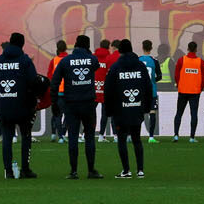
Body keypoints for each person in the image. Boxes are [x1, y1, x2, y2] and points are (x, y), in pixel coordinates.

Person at [0, 32, 46, 180]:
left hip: (4, 105)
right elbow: (34, 81)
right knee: (26, 137)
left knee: (7, 138)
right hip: (23, 106)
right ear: (22, 44)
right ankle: (25, 169)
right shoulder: (25, 61)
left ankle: (8, 171)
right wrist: (35, 99)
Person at [51, 34, 102, 178]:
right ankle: (91, 170)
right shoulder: (91, 59)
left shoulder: (66, 61)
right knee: (90, 137)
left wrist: (54, 102)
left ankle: (73, 171)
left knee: (72, 137)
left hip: (71, 104)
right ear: (87, 46)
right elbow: (96, 65)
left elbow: (54, 82)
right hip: (88, 104)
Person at [103, 38, 155, 179]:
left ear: (119, 50)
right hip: (137, 108)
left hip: (120, 110)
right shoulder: (140, 66)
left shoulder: (115, 67)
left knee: (121, 140)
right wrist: (147, 106)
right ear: (132, 49)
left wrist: (108, 109)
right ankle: (140, 170)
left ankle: (126, 170)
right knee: (137, 139)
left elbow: (108, 90)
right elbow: (148, 86)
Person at [172, 41, 203, 141]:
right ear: (196, 49)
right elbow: (203, 78)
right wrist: (200, 88)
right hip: (195, 91)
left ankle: (176, 135)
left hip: (183, 90)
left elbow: (176, 75)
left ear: (188, 49)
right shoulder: (200, 62)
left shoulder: (181, 60)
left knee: (179, 113)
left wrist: (179, 84)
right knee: (194, 114)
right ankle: (192, 137)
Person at [137, 40, 161, 142]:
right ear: (151, 48)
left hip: (140, 91)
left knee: (138, 114)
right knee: (152, 113)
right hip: (151, 91)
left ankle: (134, 136)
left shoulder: (138, 60)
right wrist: (152, 81)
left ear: (142, 47)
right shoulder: (154, 61)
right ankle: (151, 137)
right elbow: (159, 76)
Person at [46, 38, 69, 142]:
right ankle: (63, 134)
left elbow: (49, 76)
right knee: (68, 115)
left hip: (57, 91)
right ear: (66, 48)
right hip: (68, 91)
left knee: (57, 114)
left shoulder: (54, 60)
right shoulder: (69, 59)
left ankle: (56, 136)